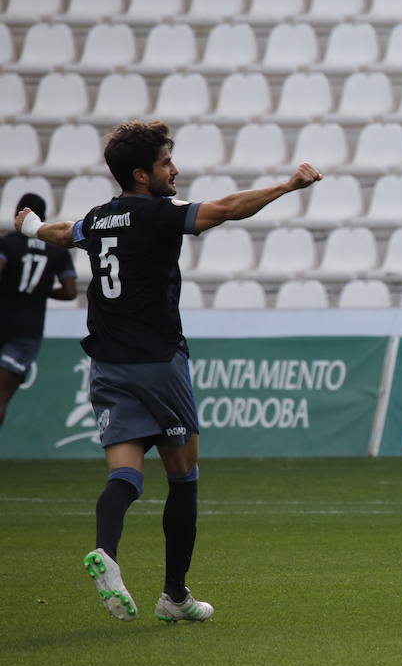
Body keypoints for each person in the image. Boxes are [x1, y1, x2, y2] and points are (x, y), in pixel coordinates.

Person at [15, 120, 322, 623]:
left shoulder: (97, 219)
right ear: (141, 174)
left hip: (107, 366)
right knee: (184, 480)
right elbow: (224, 210)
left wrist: (27, 227)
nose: (174, 170)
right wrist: (287, 186)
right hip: (159, 363)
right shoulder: (157, 214)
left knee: (124, 475)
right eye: (165, 163)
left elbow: (59, 232)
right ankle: (174, 597)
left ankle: (107, 554)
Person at [0, 193, 78, 428]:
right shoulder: (58, 252)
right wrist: (42, 290)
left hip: (2, 321)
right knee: (2, 395)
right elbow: (70, 291)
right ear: (42, 219)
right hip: (27, 332)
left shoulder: (6, 243)